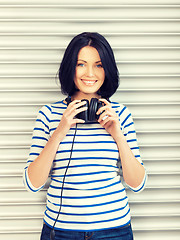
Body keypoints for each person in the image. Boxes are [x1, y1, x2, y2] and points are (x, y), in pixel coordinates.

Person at [23, 32, 147, 240]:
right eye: (81, 64)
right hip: (60, 230)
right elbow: (32, 183)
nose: (90, 73)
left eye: (98, 65)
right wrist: (60, 131)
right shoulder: (49, 114)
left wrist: (118, 135)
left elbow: (137, 184)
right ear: (70, 67)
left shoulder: (120, 115)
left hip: (114, 230)